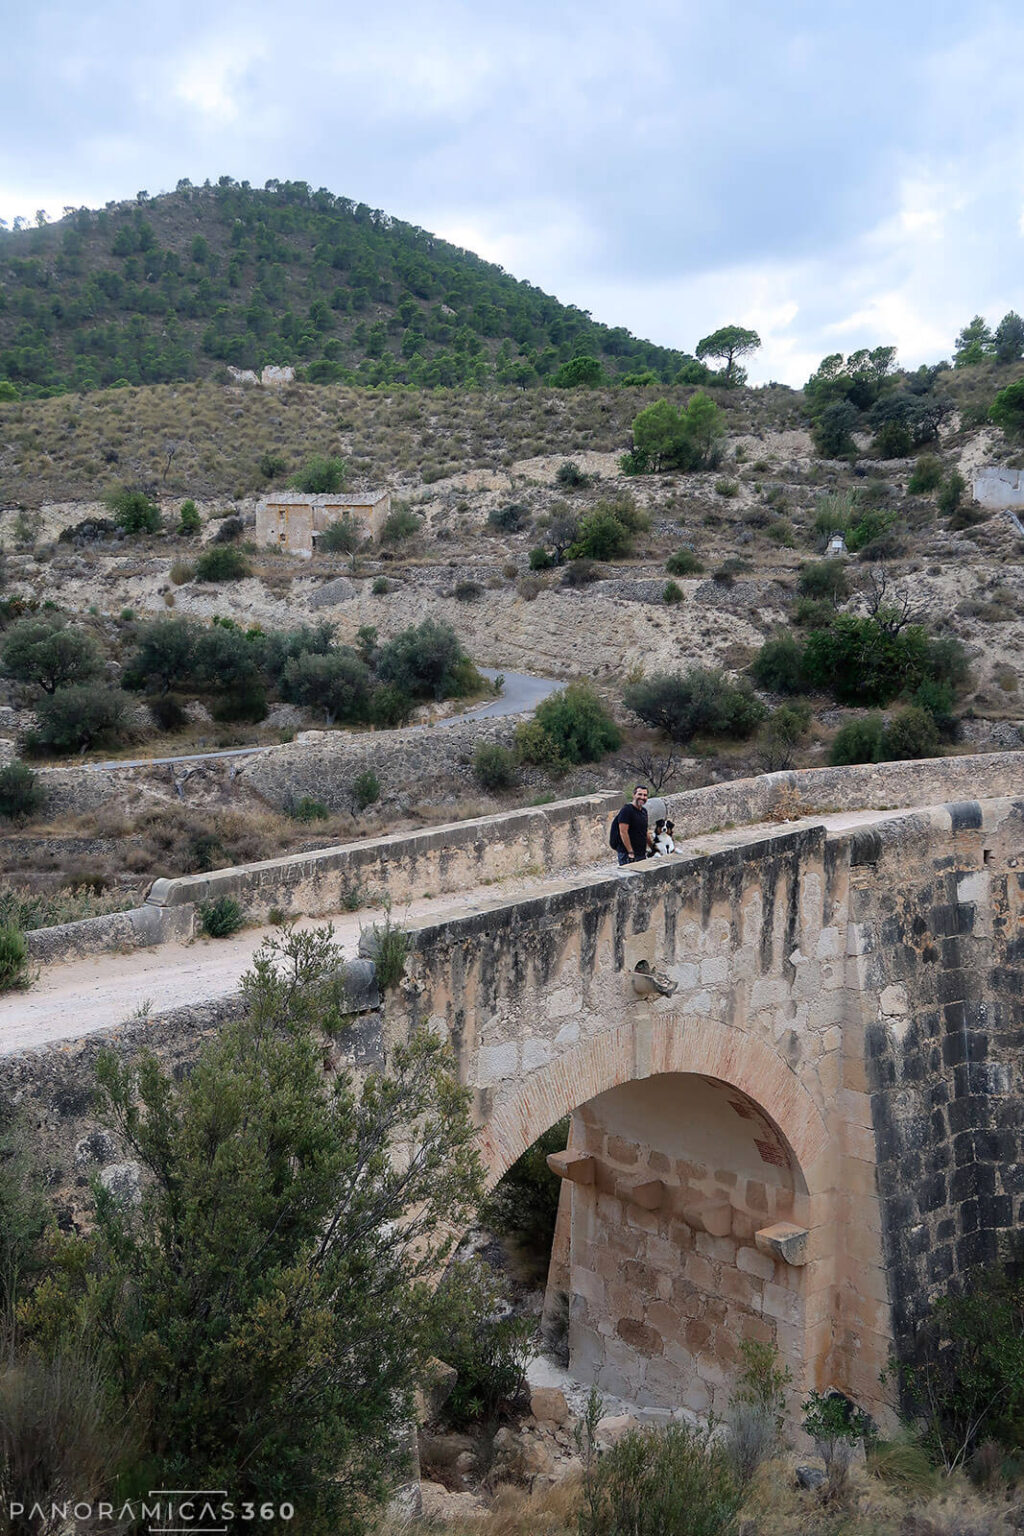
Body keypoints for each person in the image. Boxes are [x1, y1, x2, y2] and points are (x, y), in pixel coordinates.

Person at [610, 785, 651, 865]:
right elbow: (623, 832)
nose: (642, 797)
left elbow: (644, 831)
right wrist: (630, 851)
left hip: (641, 853)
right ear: (634, 795)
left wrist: (653, 847)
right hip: (628, 855)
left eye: (645, 795)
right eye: (639, 794)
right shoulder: (627, 810)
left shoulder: (644, 812)